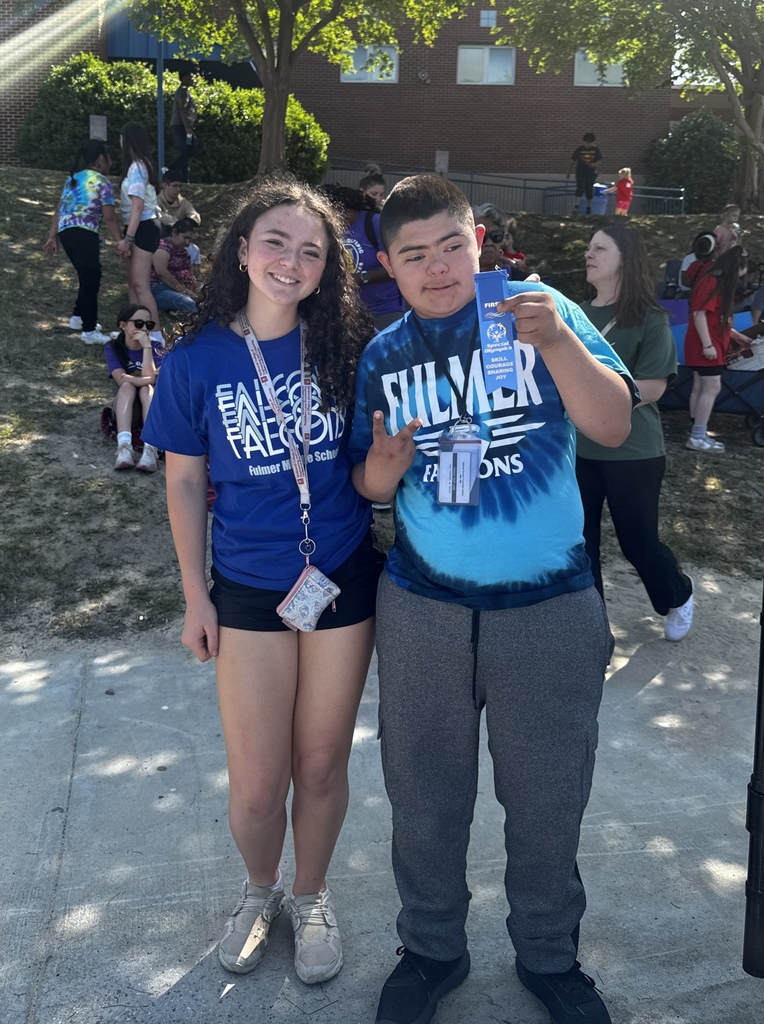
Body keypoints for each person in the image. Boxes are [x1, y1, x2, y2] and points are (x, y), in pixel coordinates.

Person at [348, 174, 634, 1024]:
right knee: (425, 798)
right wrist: (378, 479)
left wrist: (558, 345)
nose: (437, 269)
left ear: (480, 242)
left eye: (451, 247)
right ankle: (431, 951)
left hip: (551, 604)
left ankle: (549, 957)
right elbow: (369, 478)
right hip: (424, 608)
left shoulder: (537, 310)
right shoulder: (384, 354)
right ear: (388, 268)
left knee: (549, 800)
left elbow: (614, 425)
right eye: (414, 256)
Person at [141, 177, 383, 986]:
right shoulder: (197, 355)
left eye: (312, 250)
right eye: (276, 241)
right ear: (241, 250)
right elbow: (182, 481)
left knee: (320, 767)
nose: (292, 260)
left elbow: (372, 461)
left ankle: (311, 897)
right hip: (247, 587)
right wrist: (195, 597)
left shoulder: (346, 346)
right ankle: (260, 892)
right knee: (255, 785)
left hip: (341, 576)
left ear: (328, 268)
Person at [577, 224, 694, 641]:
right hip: (579, 449)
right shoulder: (576, 315)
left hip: (634, 452)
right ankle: (591, 632)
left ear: (624, 258)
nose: (589, 254)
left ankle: (677, 594)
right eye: (589, 248)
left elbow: (654, 386)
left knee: (637, 542)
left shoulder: (650, 317)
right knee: (581, 543)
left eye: (600, 248)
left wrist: (595, 397)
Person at [44, 139, 123, 345]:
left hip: (66, 231)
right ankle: (89, 331)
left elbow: (59, 209)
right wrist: (120, 242)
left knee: (87, 275)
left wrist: (53, 236)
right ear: (101, 159)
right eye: (109, 158)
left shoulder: (73, 178)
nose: (111, 163)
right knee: (91, 277)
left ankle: (78, 318)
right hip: (84, 231)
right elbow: (109, 217)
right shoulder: (103, 181)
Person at [684, 243, 750, 452]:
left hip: (709, 344)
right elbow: (699, 314)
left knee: (700, 387)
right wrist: (708, 344)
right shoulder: (710, 282)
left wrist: (736, 336)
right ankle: (697, 436)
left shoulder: (714, 282)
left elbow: (715, 317)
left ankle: (696, 430)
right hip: (707, 346)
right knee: (712, 387)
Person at [323, 184, 406, 330]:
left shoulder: (375, 223)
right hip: (352, 313)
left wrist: (361, 277)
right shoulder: (331, 231)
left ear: (338, 209)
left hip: (385, 309)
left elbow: (398, 265)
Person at [104, 304, 164, 472]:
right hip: (126, 406)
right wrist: (149, 379)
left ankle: (150, 449)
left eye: (148, 325)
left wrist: (146, 347)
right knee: (127, 386)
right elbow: (121, 378)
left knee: (147, 390)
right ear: (123, 325)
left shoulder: (157, 348)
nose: (144, 328)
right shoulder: (113, 347)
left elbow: (150, 382)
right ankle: (124, 447)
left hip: (149, 403)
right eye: (138, 323)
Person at [116, 122, 162, 328]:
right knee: (134, 283)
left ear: (128, 140)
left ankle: (157, 335)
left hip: (143, 226)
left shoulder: (137, 167)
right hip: (138, 226)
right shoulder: (139, 166)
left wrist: (128, 239)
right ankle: (137, 330)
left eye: (121, 137)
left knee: (141, 285)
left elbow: (138, 206)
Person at [150, 218, 199, 314]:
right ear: (174, 232)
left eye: (190, 239)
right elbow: (162, 273)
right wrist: (185, 291)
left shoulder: (179, 249)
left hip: (176, 289)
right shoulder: (163, 247)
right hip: (159, 289)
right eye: (185, 237)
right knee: (191, 304)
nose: (187, 242)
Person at [167, 64, 198, 182]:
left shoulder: (184, 91)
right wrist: (187, 127)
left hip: (180, 125)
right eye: (189, 77)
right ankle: (170, 168)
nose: (191, 79)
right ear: (184, 78)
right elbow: (182, 109)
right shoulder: (183, 92)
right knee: (191, 149)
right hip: (181, 125)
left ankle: (185, 178)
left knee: (185, 151)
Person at [568, 132, 602, 215]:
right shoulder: (580, 149)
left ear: (592, 142)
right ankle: (576, 207)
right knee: (580, 186)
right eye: (586, 143)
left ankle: (588, 208)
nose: (588, 145)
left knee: (589, 189)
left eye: (590, 143)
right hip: (581, 171)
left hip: (590, 173)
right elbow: (573, 160)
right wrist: (568, 172)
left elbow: (600, 160)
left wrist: (594, 164)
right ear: (584, 142)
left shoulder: (595, 150)